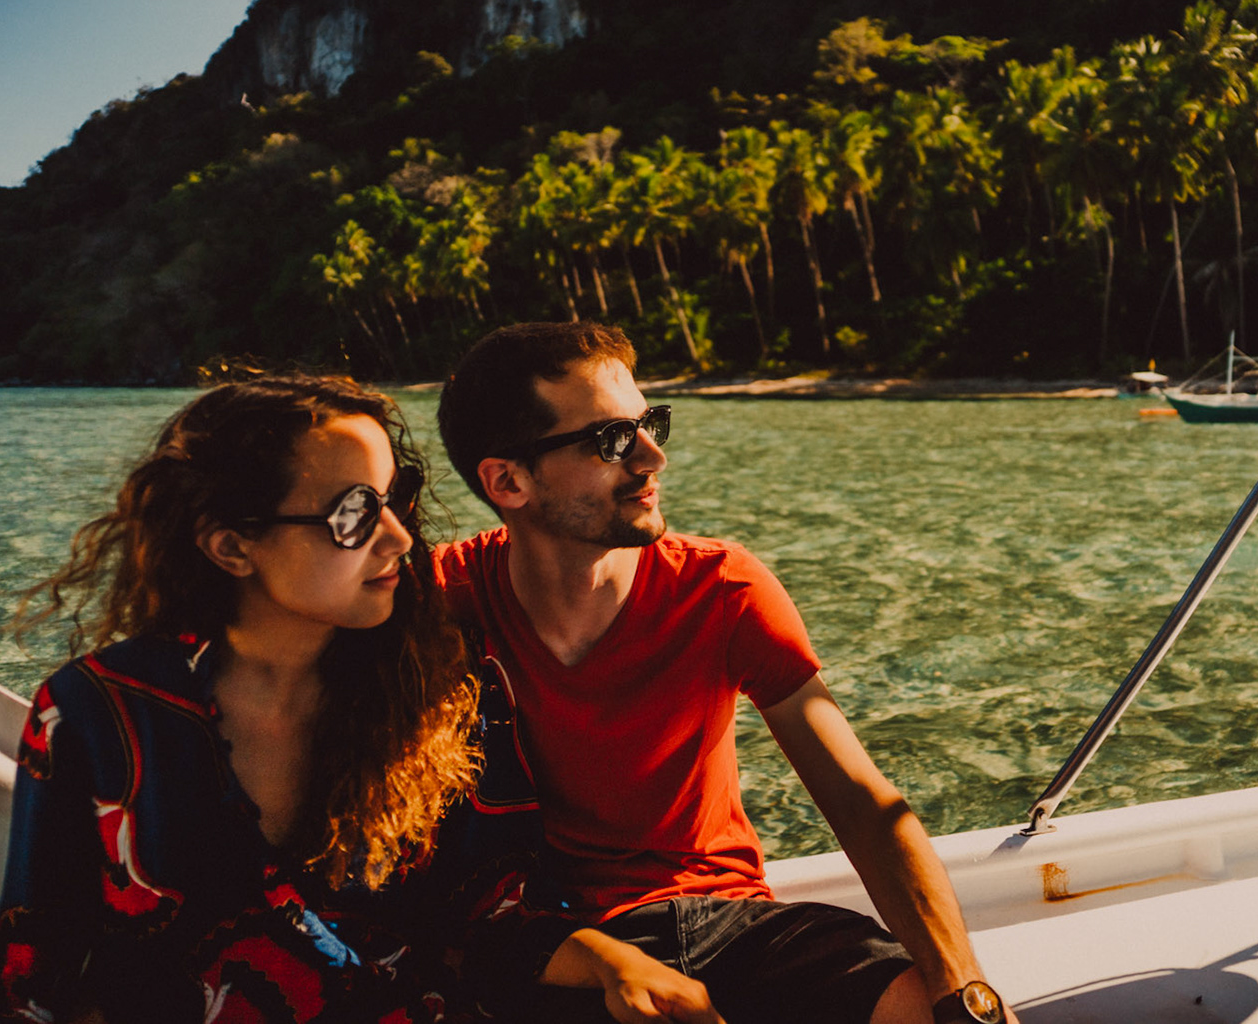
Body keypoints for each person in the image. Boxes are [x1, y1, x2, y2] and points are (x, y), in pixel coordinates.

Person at [0, 374, 721, 1024]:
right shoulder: (102, 716)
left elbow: (485, 909)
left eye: (395, 500)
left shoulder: (444, 688)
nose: (397, 537)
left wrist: (609, 962)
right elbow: (36, 970)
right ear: (232, 546)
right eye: (354, 514)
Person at [434, 324, 1015, 1024]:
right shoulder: (438, 606)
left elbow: (861, 801)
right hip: (561, 947)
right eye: (612, 440)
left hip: (728, 922)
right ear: (509, 481)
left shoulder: (722, 589)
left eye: (651, 424)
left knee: (924, 1010)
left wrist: (962, 989)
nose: (653, 457)